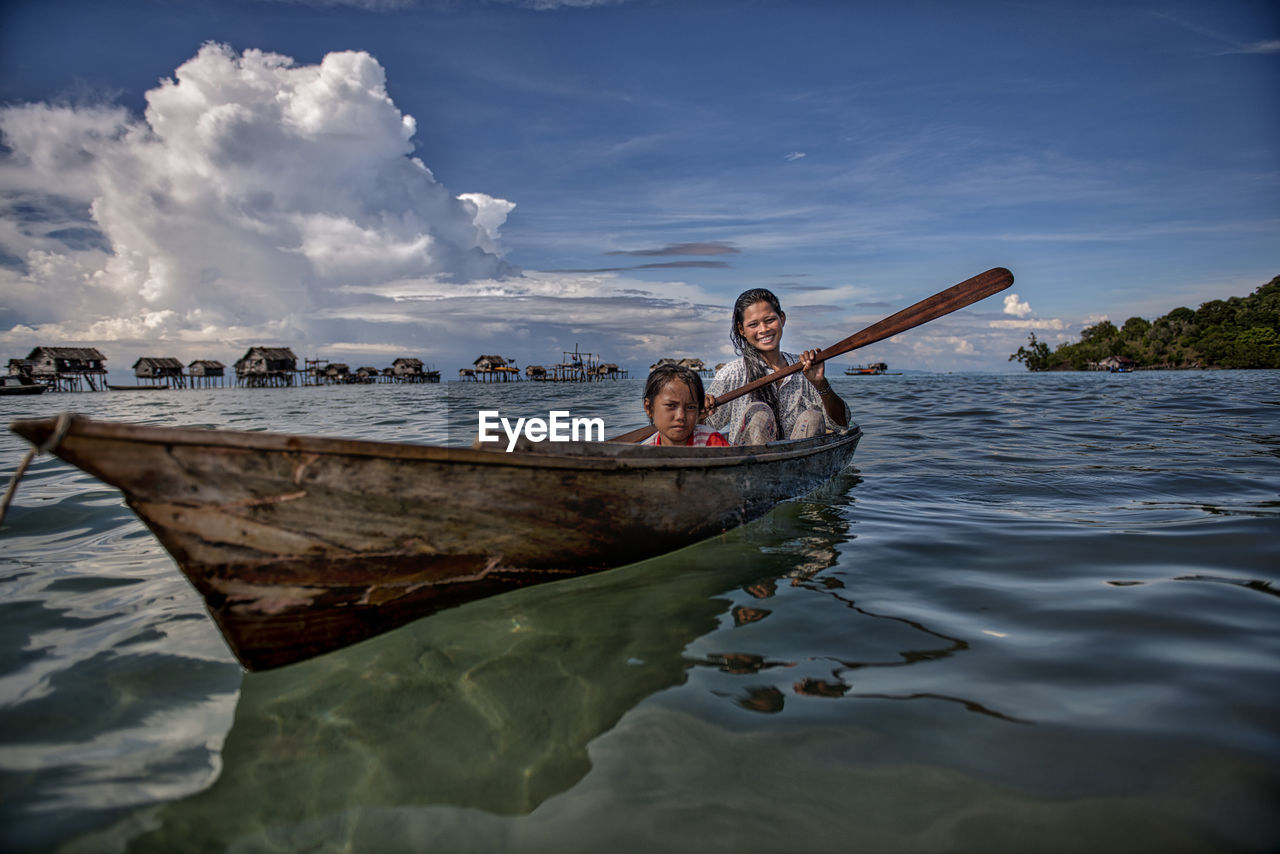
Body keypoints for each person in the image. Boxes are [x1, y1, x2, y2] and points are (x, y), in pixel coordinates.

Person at [703, 288, 849, 445]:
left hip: (800, 460)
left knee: (813, 417)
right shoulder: (732, 374)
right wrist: (701, 410)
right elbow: (703, 426)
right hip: (751, 462)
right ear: (741, 330)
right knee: (759, 413)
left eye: (769, 320)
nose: (764, 329)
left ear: (782, 319)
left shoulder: (804, 368)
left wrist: (820, 383)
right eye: (753, 324)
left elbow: (841, 424)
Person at [641, 364, 731, 447]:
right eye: (671, 405)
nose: (681, 416)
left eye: (690, 407)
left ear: (699, 411)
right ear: (648, 408)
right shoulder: (644, 452)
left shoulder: (712, 442)